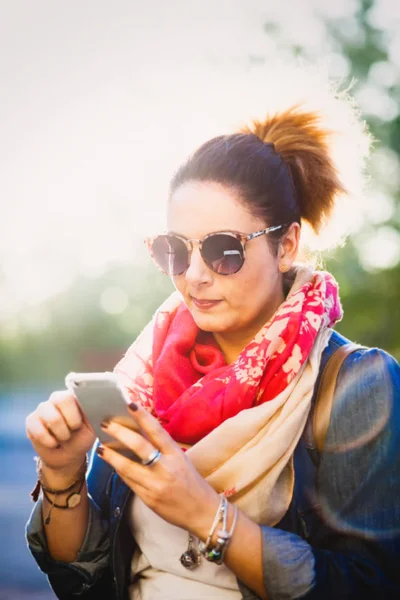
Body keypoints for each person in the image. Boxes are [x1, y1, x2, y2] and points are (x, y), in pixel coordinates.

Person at [25, 97, 400, 600]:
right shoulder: (145, 375)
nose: (194, 275)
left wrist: (204, 513)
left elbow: (372, 586)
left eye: (224, 249)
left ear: (286, 245)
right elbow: (80, 577)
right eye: (174, 250)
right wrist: (61, 474)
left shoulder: (358, 383)